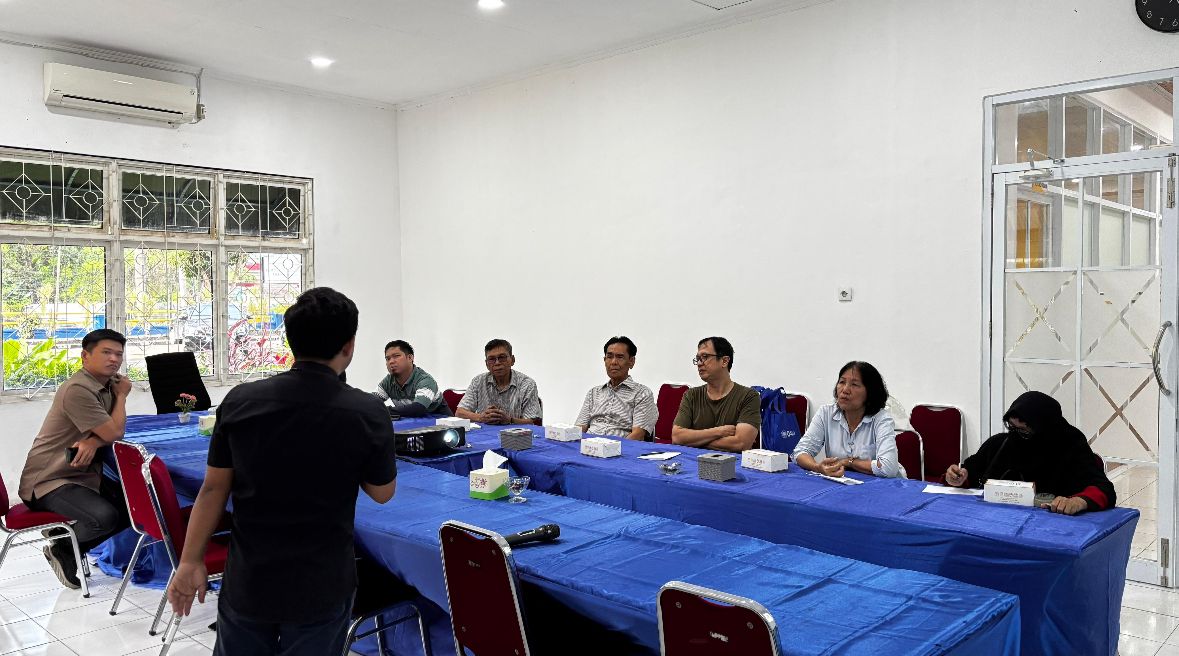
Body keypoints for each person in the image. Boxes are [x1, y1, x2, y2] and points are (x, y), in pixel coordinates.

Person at [166, 288, 398, 655]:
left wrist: (190, 560)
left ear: (291, 341)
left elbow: (213, 490)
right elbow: (382, 492)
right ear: (349, 346)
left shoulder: (241, 400)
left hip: (250, 577)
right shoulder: (367, 411)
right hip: (321, 582)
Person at [18, 328, 132, 589]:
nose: (114, 359)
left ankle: (67, 545)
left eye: (118, 354)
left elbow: (108, 431)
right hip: (49, 481)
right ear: (85, 356)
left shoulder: (106, 385)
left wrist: (94, 441)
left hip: (80, 476)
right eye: (106, 352)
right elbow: (114, 432)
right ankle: (63, 546)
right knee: (105, 517)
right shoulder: (78, 389)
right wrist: (122, 396)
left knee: (135, 508)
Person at [944, 391, 1115, 515]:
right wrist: (958, 476)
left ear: (1044, 429)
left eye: (1024, 431)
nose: (1016, 435)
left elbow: (1104, 489)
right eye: (1012, 427)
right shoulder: (1001, 444)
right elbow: (970, 471)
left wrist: (1078, 502)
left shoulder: (1071, 447)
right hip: (996, 521)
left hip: (1054, 528)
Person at [793, 361, 904, 478]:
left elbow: (888, 468)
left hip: (884, 485)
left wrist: (849, 462)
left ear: (870, 392)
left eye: (854, 384)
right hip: (844, 483)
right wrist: (817, 467)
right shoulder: (826, 413)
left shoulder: (881, 418)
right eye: (842, 382)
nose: (845, 390)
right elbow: (800, 452)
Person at [671, 337, 760, 452]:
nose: (699, 363)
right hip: (694, 460)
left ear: (724, 361)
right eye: (698, 359)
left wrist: (694, 440)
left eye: (705, 357)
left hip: (731, 462)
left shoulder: (749, 396)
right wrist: (719, 431)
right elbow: (677, 437)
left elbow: (741, 444)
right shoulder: (691, 395)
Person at [574, 336, 658, 440]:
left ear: (631, 361)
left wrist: (610, 447)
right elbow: (579, 428)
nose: (613, 362)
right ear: (604, 360)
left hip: (620, 448)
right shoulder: (593, 393)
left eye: (620, 357)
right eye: (609, 357)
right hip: (588, 446)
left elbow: (638, 435)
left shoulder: (642, 393)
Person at [455, 339, 542, 426]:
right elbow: (459, 413)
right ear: (486, 364)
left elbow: (530, 421)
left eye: (502, 357)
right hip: (485, 432)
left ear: (512, 360)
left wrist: (509, 420)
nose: (497, 363)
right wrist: (481, 417)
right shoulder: (478, 381)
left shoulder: (527, 384)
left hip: (515, 433)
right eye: (491, 359)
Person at [372, 340, 450, 416]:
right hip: (411, 422)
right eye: (387, 359)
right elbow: (370, 403)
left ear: (410, 358)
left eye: (396, 356)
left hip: (441, 422)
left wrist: (384, 410)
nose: (391, 362)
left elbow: (418, 408)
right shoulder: (388, 381)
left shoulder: (425, 380)